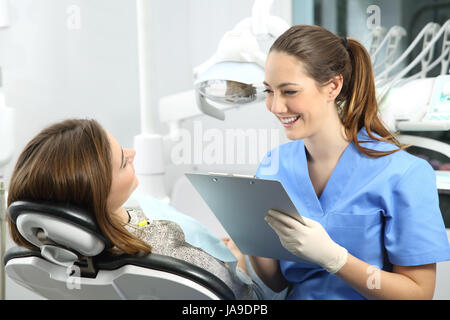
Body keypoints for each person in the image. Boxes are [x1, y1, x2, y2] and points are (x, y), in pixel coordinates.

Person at [245, 25, 450, 300]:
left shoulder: (403, 173)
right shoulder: (275, 164)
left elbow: (417, 294)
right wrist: (249, 238)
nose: (275, 106)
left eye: (290, 91)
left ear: (333, 86)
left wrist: (336, 260)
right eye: (269, 91)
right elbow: (278, 282)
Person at [6, 118, 258, 300]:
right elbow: (242, 297)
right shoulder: (173, 256)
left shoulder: (52, 255)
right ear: (100, 195)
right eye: (123, 163)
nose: (133, 153)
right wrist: (242, 264)